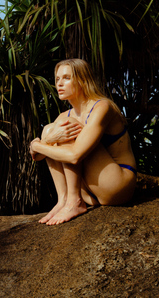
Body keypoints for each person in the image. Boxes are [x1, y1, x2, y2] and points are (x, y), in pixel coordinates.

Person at [29, 58, 137, 225]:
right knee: (50, 129)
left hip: (116, 184)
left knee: (66, 127)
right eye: (57, 79)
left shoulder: (102, 107)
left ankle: (74, 201)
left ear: (82, 80)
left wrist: (37, 145)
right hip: (90, 190)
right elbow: (38, 157)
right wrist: (48, 140)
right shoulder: (63, 116)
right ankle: (63, 199)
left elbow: (74, 156)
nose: (59, 83)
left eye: (66, 78)